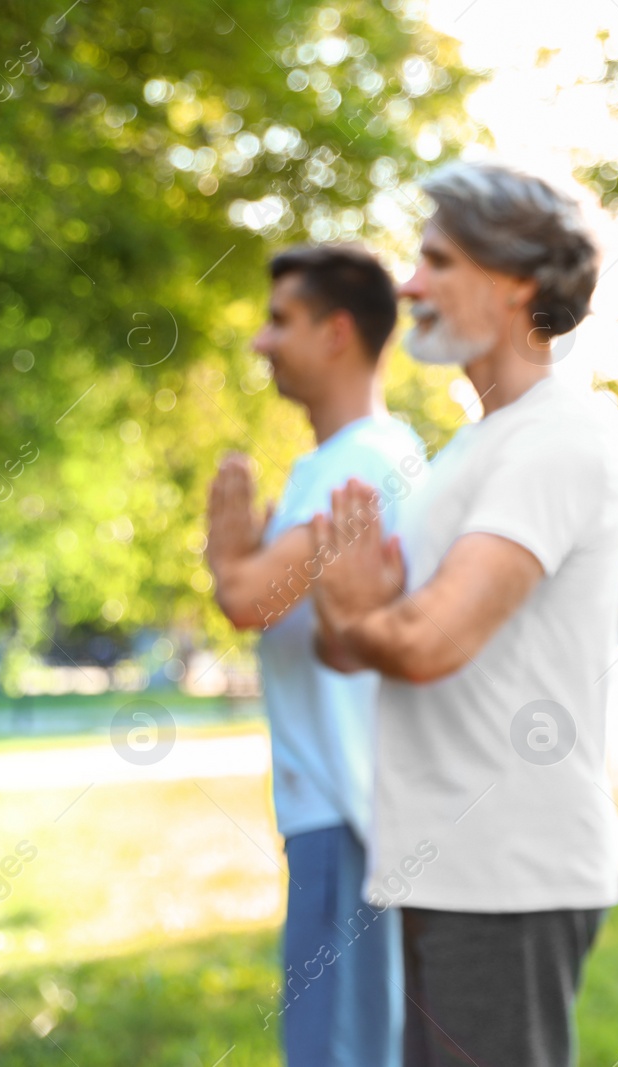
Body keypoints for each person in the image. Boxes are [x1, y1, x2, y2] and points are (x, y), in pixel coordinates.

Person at [308, 159, 618, 1067]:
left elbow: (423, 641)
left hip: (509, 869)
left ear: (517, 281)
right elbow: (358, 645)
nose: (410, 284)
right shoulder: (476, 446)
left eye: (437, 261)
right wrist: (355, 614)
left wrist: (354, 609)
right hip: (444, 865)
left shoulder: (557, 439)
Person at [206, 244, 424, 1067]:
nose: (262, 341)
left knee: (343, 1049)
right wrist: (240, 562)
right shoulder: (328, 464)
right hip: (327, 803)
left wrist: (229, 556)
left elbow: (249, 596)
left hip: (350, 804)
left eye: (280, 321)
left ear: (337, 333)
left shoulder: (364, 462)